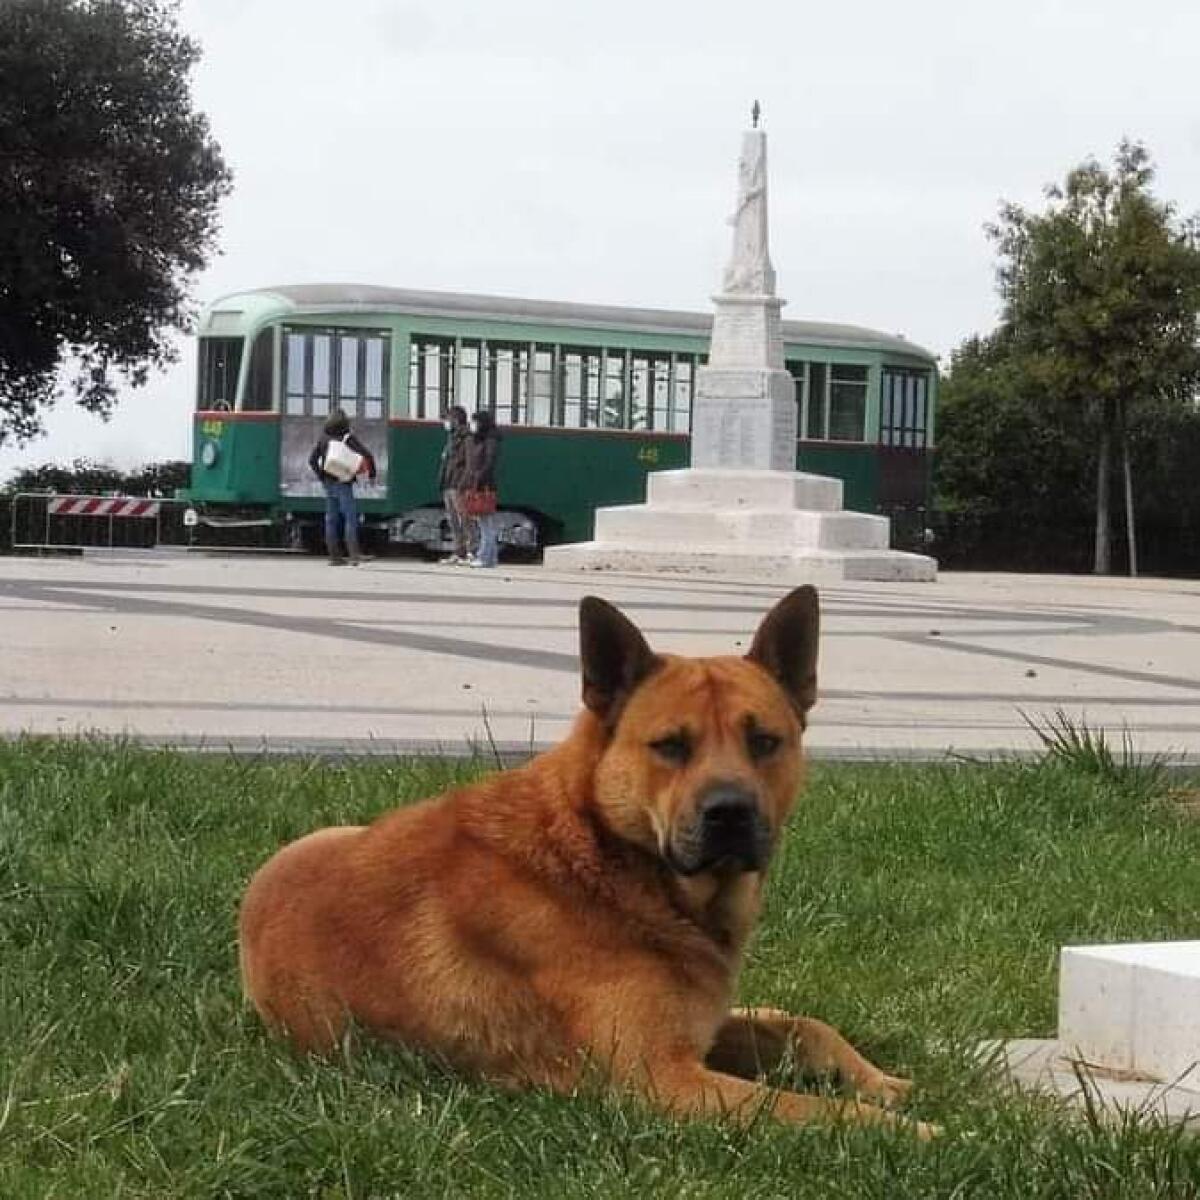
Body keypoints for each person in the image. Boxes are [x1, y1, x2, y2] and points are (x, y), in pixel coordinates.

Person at [308, 410, 377, 566]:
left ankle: (334, 557)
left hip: (329, 484)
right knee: (350, 518)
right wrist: (372, 475)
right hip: (343, 483)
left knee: (331, 520)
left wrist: (322, 477)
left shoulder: (323, 438)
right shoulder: (347, 438)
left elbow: (312, 460)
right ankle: (354, 555)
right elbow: (368, 455)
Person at [463, 408, 501, 568]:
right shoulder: (479, 439)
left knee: (486, 524)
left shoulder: (490, 440)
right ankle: (490, 558)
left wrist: (478, 480)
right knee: (484, 523)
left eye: (474, 421)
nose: (472, 425)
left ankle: (484, 557)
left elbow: (488, 462)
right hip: (480, 483)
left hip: (484, 485)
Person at [436, 406, 470, 564]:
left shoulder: (466, 438)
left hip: (458, 484)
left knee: (464, 518)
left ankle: (471, 550)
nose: (446, 423)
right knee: (453, 520)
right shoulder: (451, 438)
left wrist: (463, 482)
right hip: (449, 483)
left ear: (456, 420)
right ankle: (459, 551)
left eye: (448, 419)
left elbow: (468, 462)